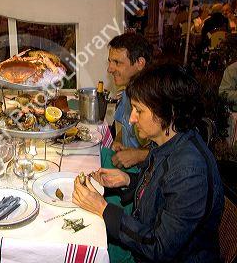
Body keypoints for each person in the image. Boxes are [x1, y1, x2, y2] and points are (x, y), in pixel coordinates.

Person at [73, 63, 224, 262]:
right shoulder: (167, 140)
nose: (132, 119)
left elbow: (159, 248)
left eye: (139, 110)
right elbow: (163, 191)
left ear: (169, 112)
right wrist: (128, 180)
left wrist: (103, 208)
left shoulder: (190, 171)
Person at [107, 33, 152, 168]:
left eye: (117, 62)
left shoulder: (154, 100)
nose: (109, 69)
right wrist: (118, 142)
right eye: (109, 61)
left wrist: (137, 155)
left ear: (140, 63)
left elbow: (170, 151)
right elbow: (126, 128)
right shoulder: (127, 93)